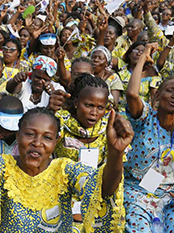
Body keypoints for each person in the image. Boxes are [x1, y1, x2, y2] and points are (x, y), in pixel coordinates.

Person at [0, 102, 133, 232]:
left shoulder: (64, 170)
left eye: (47, 137)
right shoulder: (3, 167)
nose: (37, 143)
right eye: (30, 134)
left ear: (56, 142)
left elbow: (103, 188)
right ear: (17, 135)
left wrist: (115, 153)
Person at [124, 43, 174, 233]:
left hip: (172, 197)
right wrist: (144, 57)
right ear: (157, 95)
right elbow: (132, 94)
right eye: (170, 90)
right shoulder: (145, 117)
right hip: (138, 192)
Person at [53, 73, 125, 232]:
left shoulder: (108, 128)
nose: (94, 112)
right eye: (89, 105)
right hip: (62, 190)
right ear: (76, 102)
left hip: (96, 191)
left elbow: (114, 172)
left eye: (100, 107)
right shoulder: (61, 122)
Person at [117, 41, 160, 113]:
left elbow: (155, 99)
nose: (139, 53)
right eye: (136, 50)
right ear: (129, 54)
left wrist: (152, 118)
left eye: (143, 52)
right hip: (122, 111)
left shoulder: (153, 76)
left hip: (142, 114)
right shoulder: (120, 74)